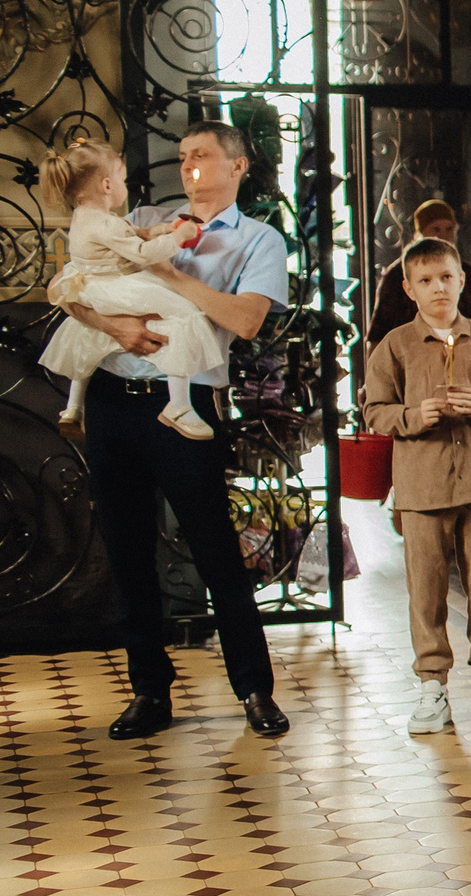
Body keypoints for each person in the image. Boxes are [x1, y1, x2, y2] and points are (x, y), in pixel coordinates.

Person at [60, 121, 292, 741]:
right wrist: (116, 331)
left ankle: (254, 690)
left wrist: (167, 275)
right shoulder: (136, 217)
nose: (188, 164)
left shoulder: (259, 240)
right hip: (113, 397)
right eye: (183, 154)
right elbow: (72, 286)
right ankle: (148, 692)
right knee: (127, 546)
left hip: (186, 403)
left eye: (202, 154)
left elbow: (245, 321)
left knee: (215, 546)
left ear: (237, 165)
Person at [364, 236, 471, 736]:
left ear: (461, 281)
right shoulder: (395, 346)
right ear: (409, 288)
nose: (438, 288)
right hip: (422, 486)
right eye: (427, 281)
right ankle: (431, 686)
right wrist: (416, 415)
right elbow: (374, 411)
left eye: (447, 278)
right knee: (426, 590)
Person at [38, 141, 225, 439]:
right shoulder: (105, 224)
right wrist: (179, 237)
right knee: (184, 314)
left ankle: (73, 407)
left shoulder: (88, 217)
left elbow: (130, 234)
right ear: (107, 185)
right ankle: (179, 405)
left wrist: (162, 230)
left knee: (89, 335)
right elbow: (141, 253)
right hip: (113, 285)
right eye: (123, 180)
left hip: (89, 283)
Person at [365, 198, 471, 347]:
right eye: (435, 229)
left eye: (449, 229)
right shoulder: (399, 274)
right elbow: (379, 333)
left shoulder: (465, 271)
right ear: (421, 232)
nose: (443, 235)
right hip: (412, 356)